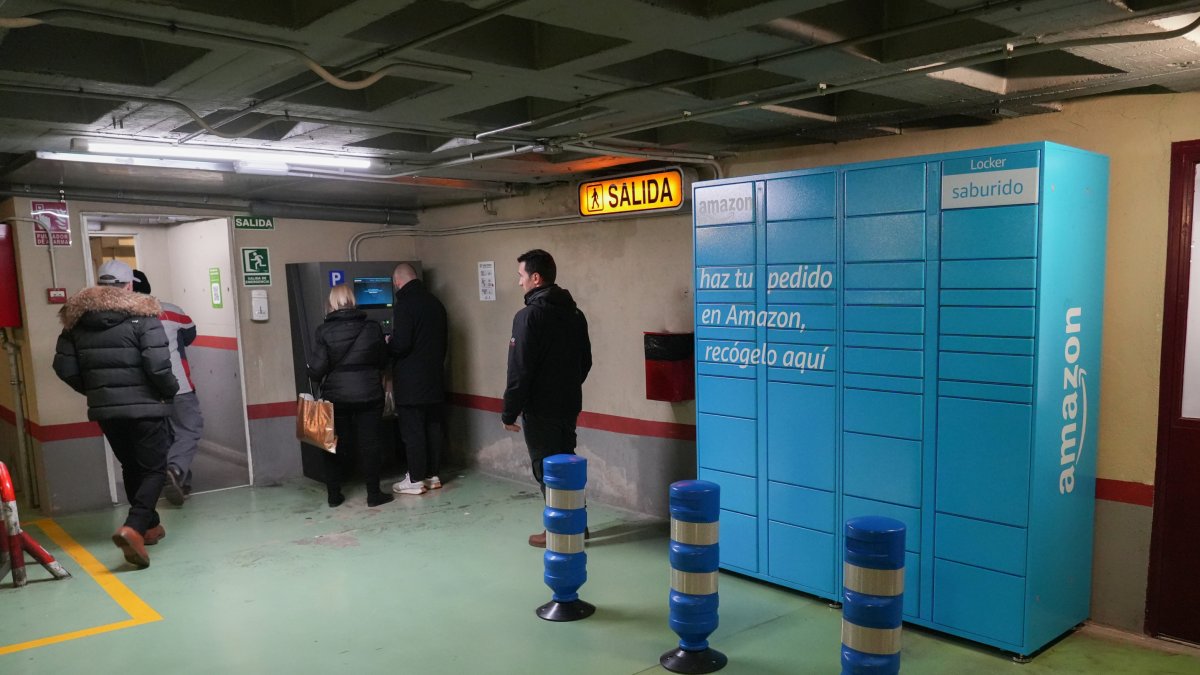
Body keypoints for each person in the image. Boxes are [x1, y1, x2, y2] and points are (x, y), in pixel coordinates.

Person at [53, 259, 178, 568]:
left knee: (132, 467)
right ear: (129, 285)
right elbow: (159, 366)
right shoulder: (144, 317)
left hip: (107, 410)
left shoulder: (76, 323)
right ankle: (133, 528)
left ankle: (149, 526)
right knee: (153, 469)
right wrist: (168, 391)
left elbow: (63, 367)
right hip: (146, 407)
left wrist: (98, 392)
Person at [501, 249, 592, 548]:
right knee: (568, 465)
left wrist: (509, 412)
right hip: (568, 405)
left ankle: (560, 530)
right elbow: (586, 361)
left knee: (548, 471)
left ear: (535, 278)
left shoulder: (528, 317)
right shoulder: (574, 313)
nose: (519, 283)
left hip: (540, 409)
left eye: (521, 276)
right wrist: (565, 388)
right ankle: (578, 525)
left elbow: (519, 370)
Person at [307, 285, 393, 508]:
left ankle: (334, 495)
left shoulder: (323, 332)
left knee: (332, 444)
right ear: (353, 301)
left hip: (337, 398)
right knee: (370, 444)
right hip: (369, 394)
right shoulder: (372, 328)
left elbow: (317, 370)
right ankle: (374, 494)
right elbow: (383, 360)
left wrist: (310, 368)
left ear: (331, 304)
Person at [132, 269, 203, 506]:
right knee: (189, 429)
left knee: (165, 436)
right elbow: (190, 336)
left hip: (144, 392)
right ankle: (175, 470)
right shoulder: (172, 311)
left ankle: (180, 480)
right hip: (179, 386)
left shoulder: (120, 316)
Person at [388, 263, 448, 496]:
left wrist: (388, 345)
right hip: (434, 378)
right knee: (433, 427)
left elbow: (402, 344)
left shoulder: (405, 306)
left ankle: (415, 479)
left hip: (411, 382)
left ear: (397, 282)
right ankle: (432, 475)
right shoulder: (436, 303)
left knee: (413, 431)